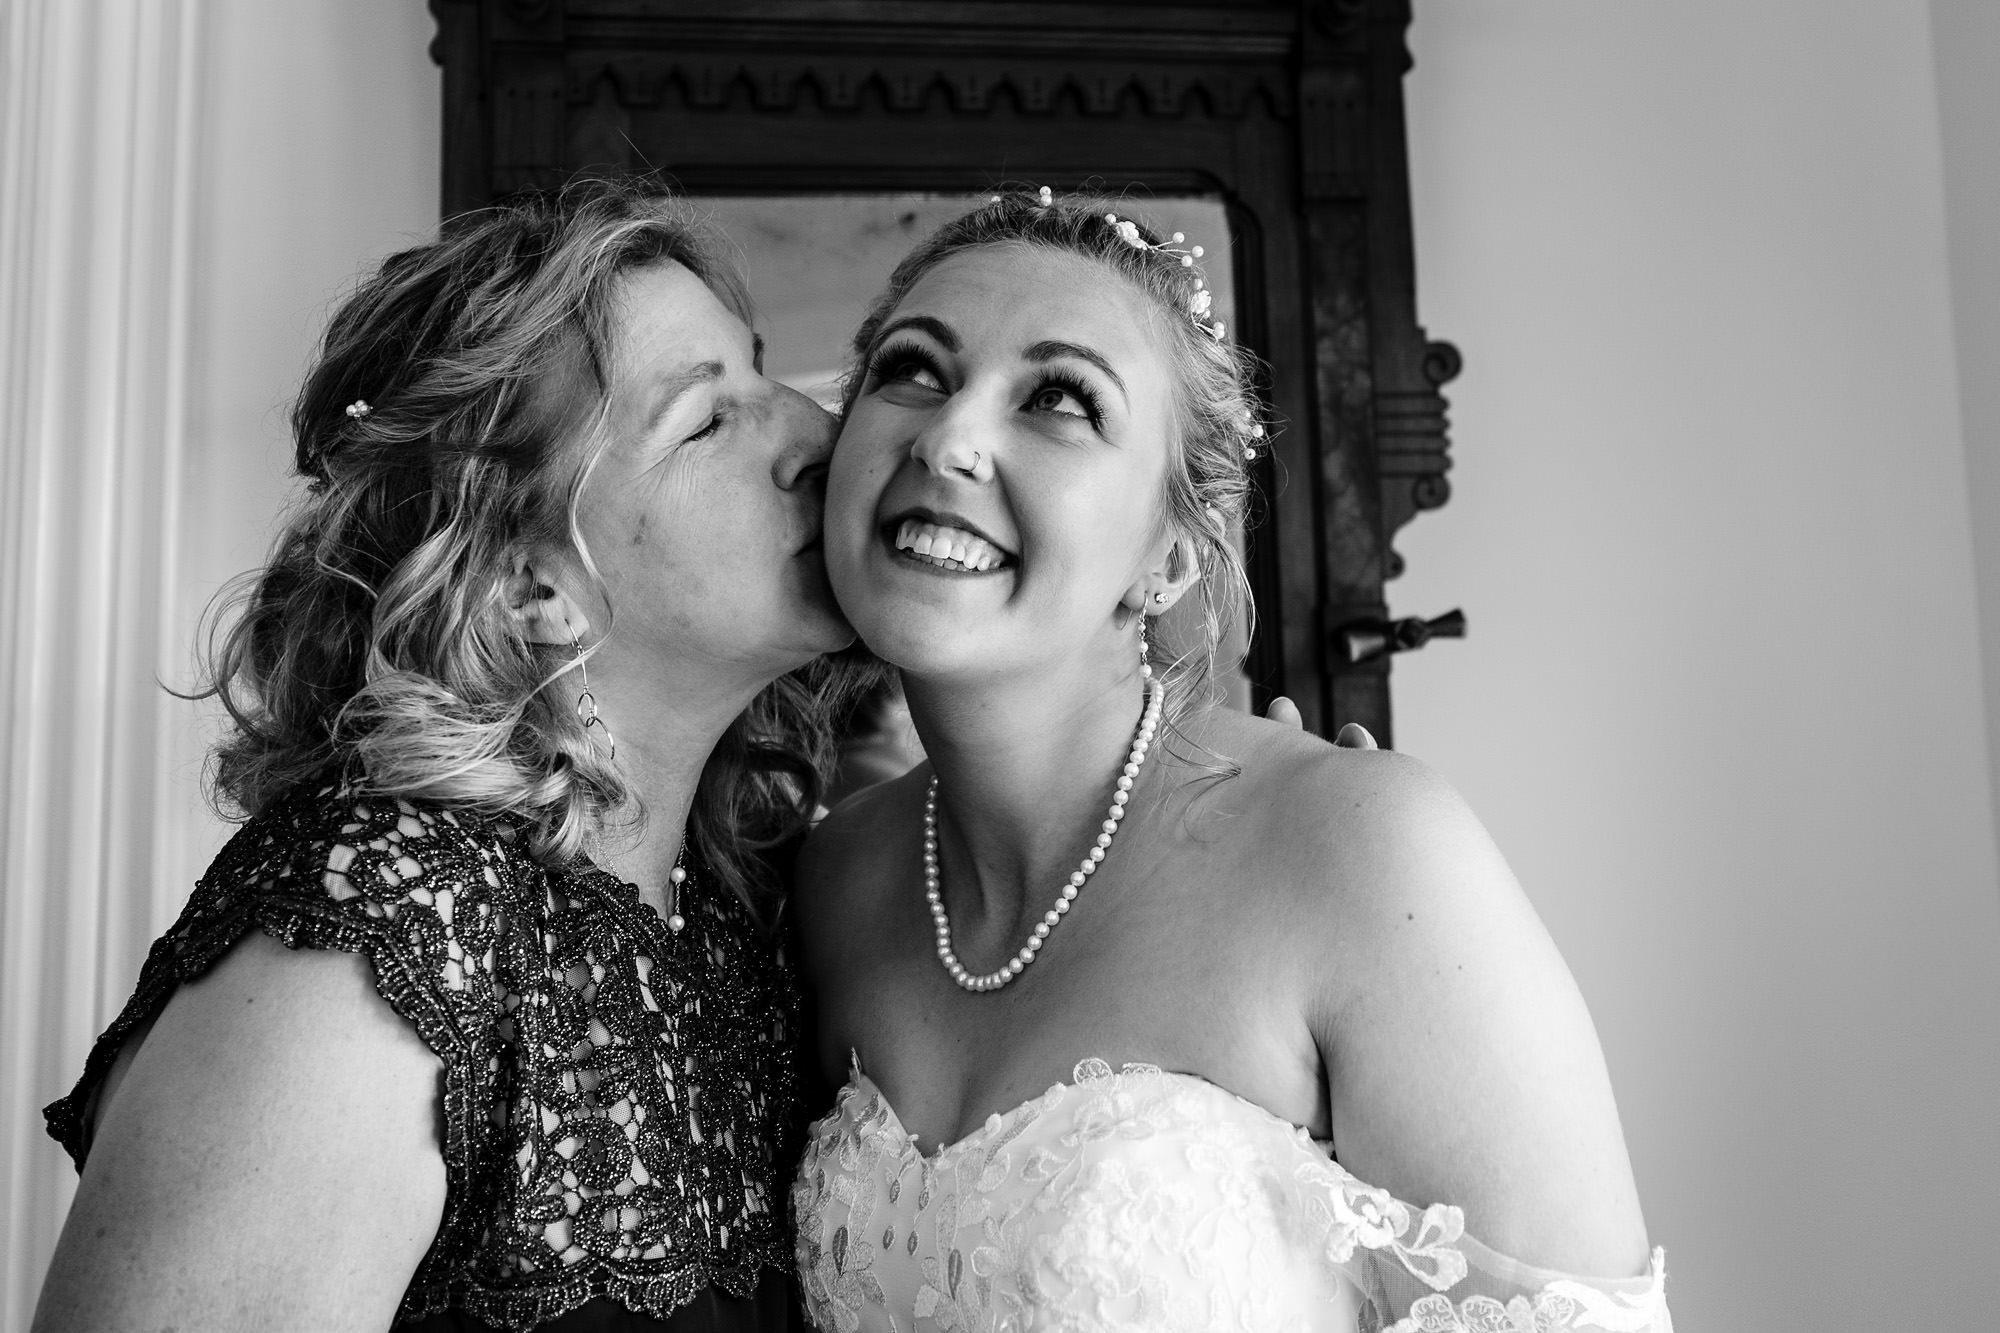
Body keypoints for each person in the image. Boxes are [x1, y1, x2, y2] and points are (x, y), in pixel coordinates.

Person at [789, 190, 1671, 1331]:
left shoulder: (1359, 848)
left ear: (1165, 551)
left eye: (1059, 399)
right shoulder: (830, 885)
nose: (948, 438)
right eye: (912, 369)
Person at [35, 180, 859, 1332]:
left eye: (761, 374)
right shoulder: (367, 941)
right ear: (534, 585)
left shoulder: (743, 906)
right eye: (708, 418)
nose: (817, 434)